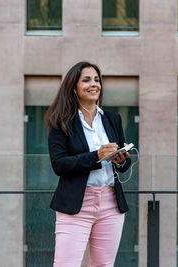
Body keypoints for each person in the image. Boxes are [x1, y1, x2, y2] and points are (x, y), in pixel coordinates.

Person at [45, 61, 131, 266]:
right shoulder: (60, 120)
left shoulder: (112, 119)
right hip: (77, 204)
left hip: (111, 202)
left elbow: (122, 167)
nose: (94, 84)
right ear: (73, 87)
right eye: (86, 80)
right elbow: (59, 164)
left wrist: (121, 160)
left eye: (96, 79)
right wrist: (96, 156)